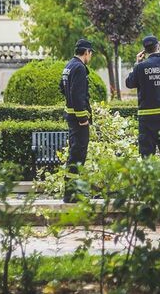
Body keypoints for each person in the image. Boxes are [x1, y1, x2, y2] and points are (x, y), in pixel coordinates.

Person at [61, 38, 94, 202]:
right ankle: (72, 194)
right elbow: (78, 95)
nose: (90, 57)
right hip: (78, 119)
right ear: (87, 52)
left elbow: (62, 87)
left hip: (70, 116)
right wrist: (83, 118)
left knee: (74, 154)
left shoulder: (68, 66)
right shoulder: (80, 68)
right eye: (90, 53)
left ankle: (70, 192)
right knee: (78, 154)